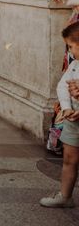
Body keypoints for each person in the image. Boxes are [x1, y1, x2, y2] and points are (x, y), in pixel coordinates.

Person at [40, 21, 79, 208]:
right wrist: (66, 107)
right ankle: (65, 195)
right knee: (69, 159)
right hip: (73, 121)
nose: (70, 52)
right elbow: (62, 85)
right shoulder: (74, 65)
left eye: (71, 46)